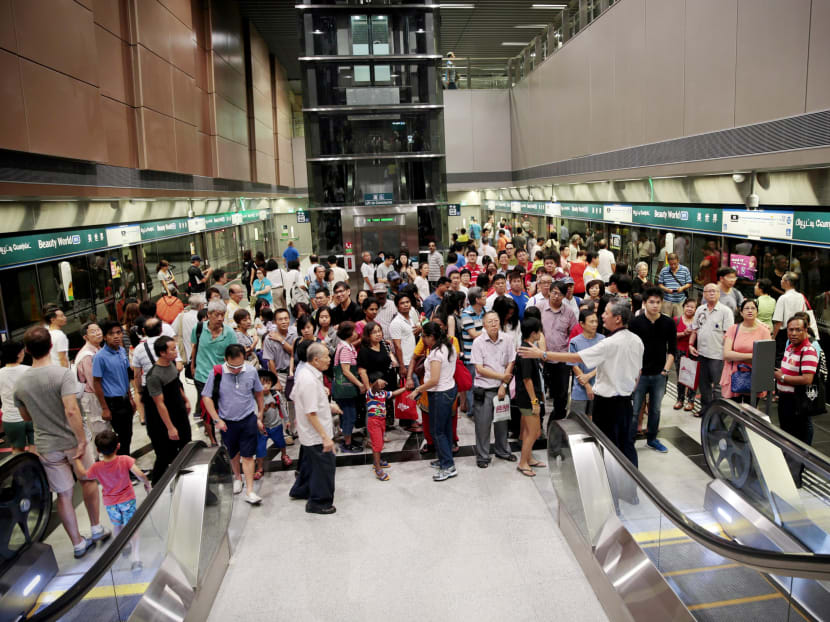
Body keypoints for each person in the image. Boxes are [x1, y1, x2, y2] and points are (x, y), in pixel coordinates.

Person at [14, 326, 110, 558]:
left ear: (27, 350)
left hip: (47, 444)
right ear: (50, 346)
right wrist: (81, 441)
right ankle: (96, 528)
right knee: (88, 481)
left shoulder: (21, 383)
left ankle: (77, 543)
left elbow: (26, 417)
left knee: (64, 494)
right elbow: (71, 410)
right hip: (73, 440)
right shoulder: (62, 374)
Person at [519, 300, 644, 465]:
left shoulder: (608, 343)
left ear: (618, 318)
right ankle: (631, 477)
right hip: (626, 402)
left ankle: (611, 477)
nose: (602, 317)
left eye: (606, 313)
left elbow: (576, 357)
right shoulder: (636, 340)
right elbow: (638, 373)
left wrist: (542, 354)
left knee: (607, 447)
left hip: (607, 405)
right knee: (626, 444)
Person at [74, 430, 148, 571]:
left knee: (117, 526)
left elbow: (83, 474)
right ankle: (135, 558)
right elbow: (140, 474)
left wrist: (77, 460)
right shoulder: (125, 460)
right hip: (127, 501)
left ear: (98, 450)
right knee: (132, 527)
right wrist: (147, 484)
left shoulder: (96, 467)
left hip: (111, 504)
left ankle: (122, 546)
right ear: (118, 446)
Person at [203, 344, 265, 505]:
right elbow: (206, 397)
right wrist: (217, 419)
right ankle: (238, 478)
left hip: (248, 418)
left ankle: (250, 491)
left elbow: (259, 393)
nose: (236, 370)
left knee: (248, 455)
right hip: (227, 421)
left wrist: (259, 414)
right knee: (233, 453)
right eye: (232, 367)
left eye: (239, 366)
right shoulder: (216, 373)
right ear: (225, 359)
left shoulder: (251, 371)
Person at [289, 342, 338, 514]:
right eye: (326, 356)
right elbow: (310, 413)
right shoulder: (308, 379)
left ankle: (301, 490)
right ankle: (319, 502)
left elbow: (296, 396)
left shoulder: (308, 374)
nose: (329, 359)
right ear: (316, 360)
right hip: (315, 434)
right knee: (325, 467)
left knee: (310, 464)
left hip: (310, 432)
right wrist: (325, 437)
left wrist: (328, 405)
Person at [409, 322, 459, 481]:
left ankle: (448, 466)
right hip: (449, 389)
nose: (422, 339)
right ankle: (445, 458)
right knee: (446, 428)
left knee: (437, 432)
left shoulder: (437, 353)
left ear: (432, 336)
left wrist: (418, 390)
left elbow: (434, 380)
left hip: (439, 394)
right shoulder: (449, 346)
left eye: (424, 336)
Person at [629, 288, 677, 453]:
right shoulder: (635, 323)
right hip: (640, 374)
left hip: (659, 374)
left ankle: (652, 439)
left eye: (658, 302)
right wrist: (634, 371)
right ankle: (629, 441)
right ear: (644, 303)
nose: (655, 305)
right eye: (651, 302)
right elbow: (630, 349)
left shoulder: (668, 323)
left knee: (655, 410)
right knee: (635, 410)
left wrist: (665, 370)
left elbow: (672, 350)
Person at [469, 311, 516, 469]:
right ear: (484, 325)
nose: (494, 324)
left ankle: (503, 451)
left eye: (496, 320)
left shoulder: (507, 339)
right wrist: (502, 377)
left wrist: (503, 385)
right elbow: (480, 369)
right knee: (483, 425)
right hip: (484, 389)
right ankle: (483, 456)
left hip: (502, 389)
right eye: (490, 322)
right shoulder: (478, 342)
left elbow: (511, 361)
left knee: (502, 423)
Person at [774, 316, 818, 480]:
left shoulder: (808, 351)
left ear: (805, 330)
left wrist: (782, 377)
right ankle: (787, 473)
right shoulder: (790, 347)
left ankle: (795, 477)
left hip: (797, 403)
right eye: (790, 330)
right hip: (785, 400)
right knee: (787, 436)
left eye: (798, 330)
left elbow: (807, 379)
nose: (793, 333)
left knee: (797, 440)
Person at [143, 336, 192, 483]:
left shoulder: (171, 364)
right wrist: (170, 428)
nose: (176, 351)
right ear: (162, 353)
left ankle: (186, 479)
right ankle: (156, 483)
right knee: (165, 455)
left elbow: (176, 384)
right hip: (163, 421)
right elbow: (159, 404)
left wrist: (186, 400)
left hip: (179, 412)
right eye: (172, 349)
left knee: (186, 446)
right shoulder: (154, 376)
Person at [191, 300, 238, 445]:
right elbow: (194, 348)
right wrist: (192, 366)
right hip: (202, 376)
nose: (220, 318)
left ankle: (226, 438)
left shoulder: (229, 333)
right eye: (217, 315)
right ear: (209, 314)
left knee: (223, 408)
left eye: (222, 315)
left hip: (221, 377)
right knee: (206, 411)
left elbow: (234, 355)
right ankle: (213, 441)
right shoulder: (199, 328)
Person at [689, 284, 734, 416]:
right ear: (704, 294)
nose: (711, 293)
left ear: (719, 294)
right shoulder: (700, 309)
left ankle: (718, 413)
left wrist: (727, 354)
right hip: (701, 353)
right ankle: (706, 410)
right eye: (708, 291)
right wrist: (691, 344)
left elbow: (728, 335)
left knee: (718, 386)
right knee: (703, 385)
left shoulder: (725, 311)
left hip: (718, 355)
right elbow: (695, 329)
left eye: (714, 291)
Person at [92, 321, 135, 457]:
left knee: (128, 434)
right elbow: (96, 383)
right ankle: (123, 463)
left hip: (125, 399)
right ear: (105, 337)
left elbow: (125, 375)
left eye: (118, 332)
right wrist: (105, 408)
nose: (116, 336)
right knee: (121, 437)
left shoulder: (121, 351)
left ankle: (125, 461)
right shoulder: (99, 357)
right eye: (111, 334)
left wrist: (131, 398)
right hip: (113, 402)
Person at [720, 298, 771, 403]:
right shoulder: (733, 329)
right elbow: (726, 355)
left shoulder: (764, 332)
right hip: (733, 375)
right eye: (746, 308)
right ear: (741, 313)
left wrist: (736, 356)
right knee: (733, 408)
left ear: (757, 312)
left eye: (753, 308)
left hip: (754, 376)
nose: (750, 311)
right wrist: (753, 356)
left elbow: (765, 358)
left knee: (750, 409)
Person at [539, 282, 577, 421]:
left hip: (562, 359)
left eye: (560, 294)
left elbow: (573, 335)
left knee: (561, 395)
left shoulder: (569, 312)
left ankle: (556, 423)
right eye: (554, 293)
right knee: (539, 394)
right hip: (542, 358)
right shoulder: (539, 308)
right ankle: (538, 422)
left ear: (564, 296)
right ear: (549, 292)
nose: (556, 296)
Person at [513, 317, 546, 477]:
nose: (541, 333)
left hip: (530, 396)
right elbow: (527, 379)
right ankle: (523, 463)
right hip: (527, 398)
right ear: (533, 333)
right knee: (533, 432)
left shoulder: (529, 348)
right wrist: (534, 401)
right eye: (539, 331)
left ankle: (529, 458)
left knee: (529, 431)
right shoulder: (525, 352)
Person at [365, 372, 407, 481]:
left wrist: (405, 388)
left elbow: (393, 393)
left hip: (382, 421)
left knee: (380, 443)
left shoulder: (383, 393)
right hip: (374, 422)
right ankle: (377, 468)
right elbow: (374, 388)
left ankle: (377, 461)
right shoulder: (370, 393)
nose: (381, 386)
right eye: (379, 383)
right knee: (377, 445)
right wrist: (376, 383)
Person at [74, 322, 110, 438]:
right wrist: (105, 405)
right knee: (101, 431)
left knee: (108, 429)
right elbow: (93, 383)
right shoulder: (87, 356)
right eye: (93, 332)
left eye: (98, 329)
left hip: (102, 394)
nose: (98, 333)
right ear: (86, 337)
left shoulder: (99, 349)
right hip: (94, 397)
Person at [254, 369, 291, 479]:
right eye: (262, 384)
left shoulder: (275, 395)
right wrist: (257, 421)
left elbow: (282, 407)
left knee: (281, 442)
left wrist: (287, 420)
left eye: (268, 383)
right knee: (260, 448)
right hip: (262, 428)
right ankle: (260, 467)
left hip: (276, 425)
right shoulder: (256, 397)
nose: (265, 386)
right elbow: (254, 411)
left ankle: (284, 455)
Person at [334, 322, 364, 453]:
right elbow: (346, 371)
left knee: (347, 414)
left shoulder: (348, 346)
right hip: (345, 388)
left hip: (346, 388)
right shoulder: (345, 349)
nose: (357, 333)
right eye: (354, 331)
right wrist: (359, 384)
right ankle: (347, 443)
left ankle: (348, 438)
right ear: (349, 333)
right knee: (349, 415)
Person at [568, 308, 604, 416]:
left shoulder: (602, 340)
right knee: (577, 420)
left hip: (599, 387)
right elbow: (574, 366)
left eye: (596, 321)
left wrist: (589, 376)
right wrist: (587, 385)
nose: (594, 324)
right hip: (580, 388)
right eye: (591, 322)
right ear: (582, 324)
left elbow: (604, 363)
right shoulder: (574, 342)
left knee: (594, 420)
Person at [0, 341, 33, 454]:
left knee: (17, 451)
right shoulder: (29, 370)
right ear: (19, 354)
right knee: (36, 448)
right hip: (32, 416)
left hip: (11, 419)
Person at [773, 271, 809, 364]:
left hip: (783, 334)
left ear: (787, 282)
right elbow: (804, 315)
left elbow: (778, 321)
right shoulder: (800, 296)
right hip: (798, 330)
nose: (781, 281)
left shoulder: (783, 298)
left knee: (780, 358)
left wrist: (773, 337)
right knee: (794, 357)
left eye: (782, 279)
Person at [673, 298, 698, 412]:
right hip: (679, 351)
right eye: (687, 306)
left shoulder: (698, 322)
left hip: (693, 352)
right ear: (683, 307)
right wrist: (683, 333)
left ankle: (691, 400)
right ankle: (680, 399)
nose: (689, 309)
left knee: (693, 376)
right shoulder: (676, 320)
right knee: (681, 376)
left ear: (696, 309)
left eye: (692, 307)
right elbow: (671, 335)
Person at [174, 295, 203, 366]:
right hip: (201, 355)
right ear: (200, 306)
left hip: (186, 355)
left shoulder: (181, 316)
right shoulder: (202, 318)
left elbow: (173, 331)